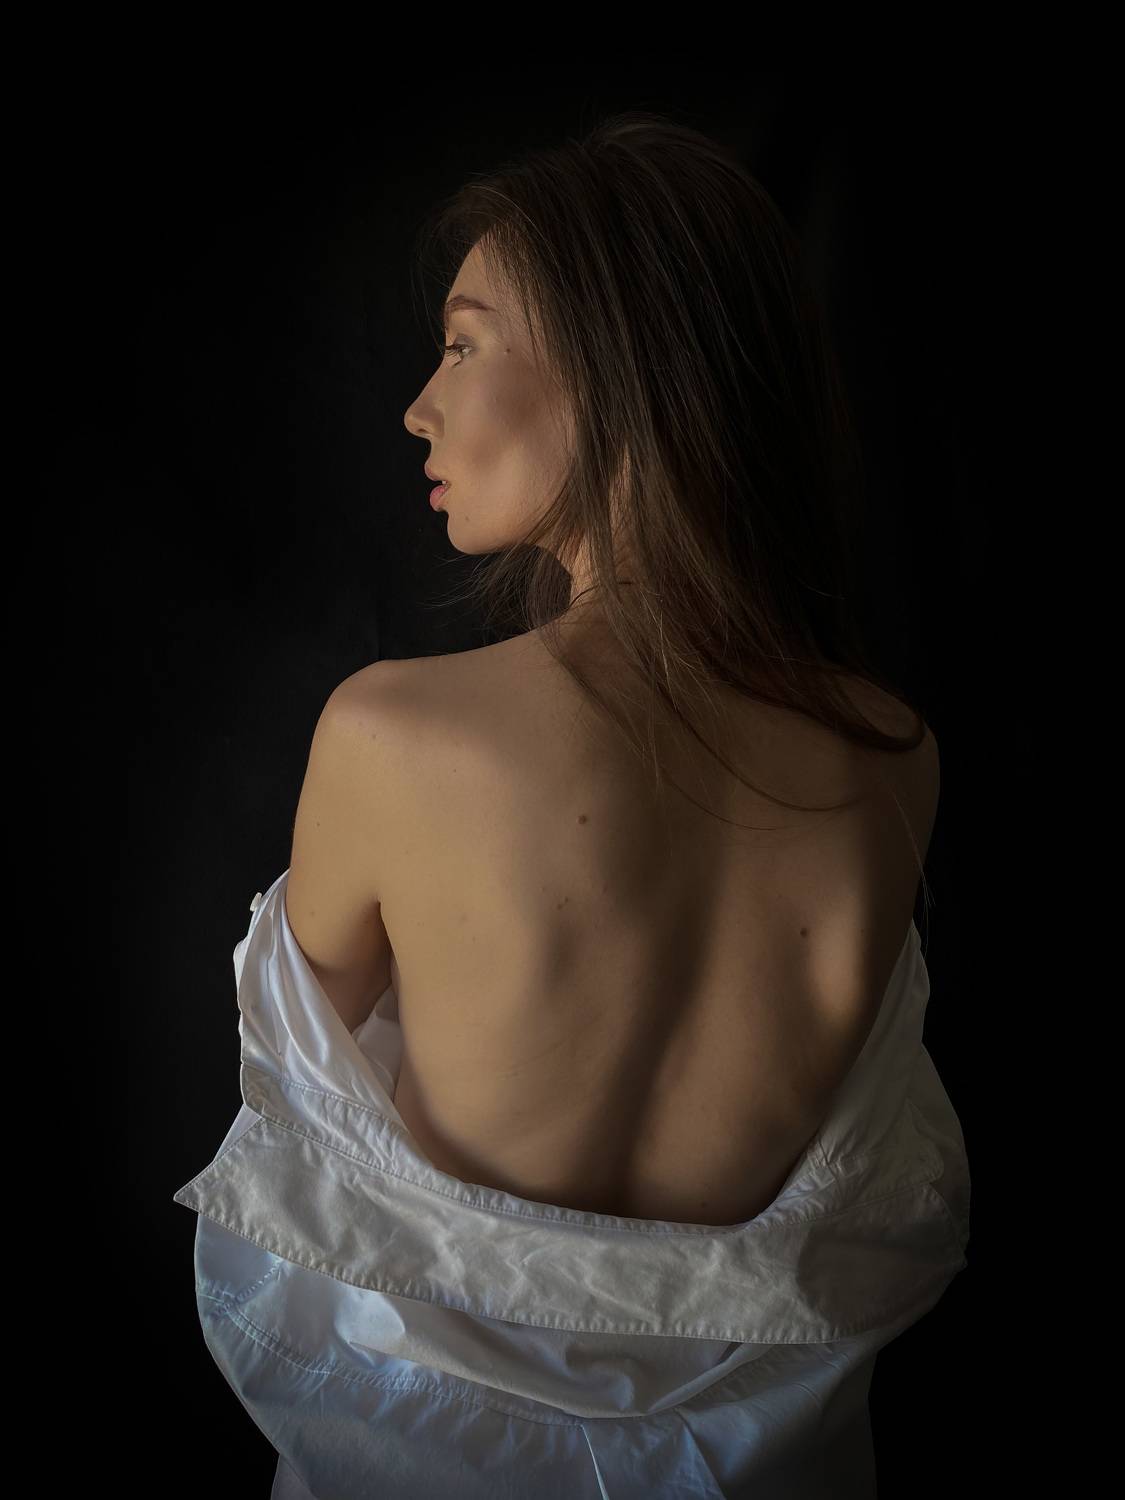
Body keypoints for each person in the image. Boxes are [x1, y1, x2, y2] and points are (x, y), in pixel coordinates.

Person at [174, 111, 969, 1498]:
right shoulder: (893, 761)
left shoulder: (392, 737)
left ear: (613, 376)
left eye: (463, 345)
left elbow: (312, 1109)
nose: (420, 405)